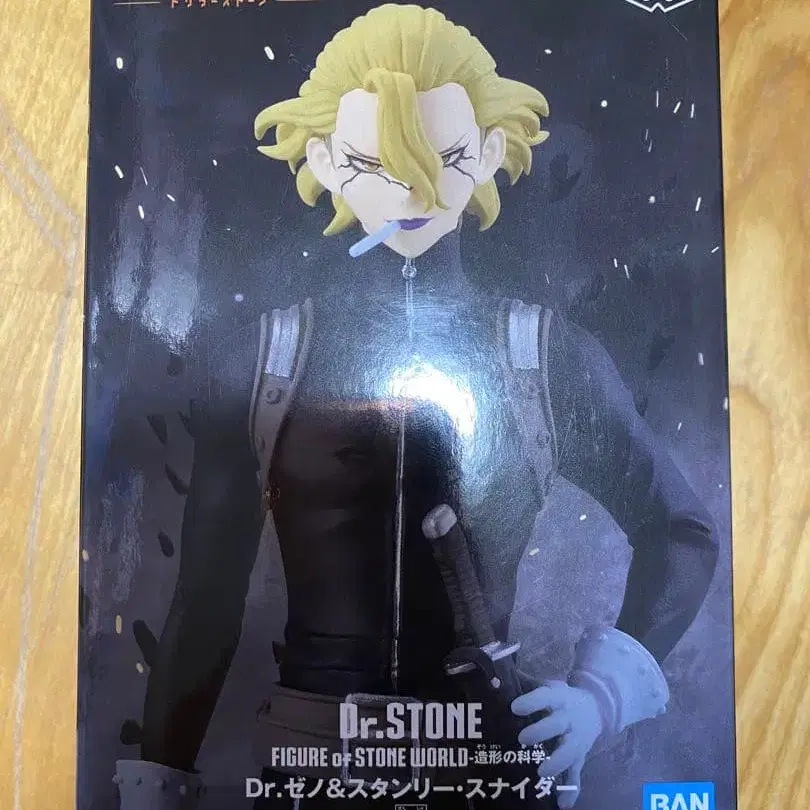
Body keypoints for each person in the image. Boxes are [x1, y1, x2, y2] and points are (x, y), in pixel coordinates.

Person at [114, 6, 718, 809]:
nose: (410, 189)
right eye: (375, 161)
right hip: (312, 774)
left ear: (491, 152)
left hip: (492, 768)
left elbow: (682, 531)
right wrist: (155, 785)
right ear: (325, 160)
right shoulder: (264, 358)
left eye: (446, 156)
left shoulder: (543, 354)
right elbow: (206, 604)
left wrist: (598, 700)